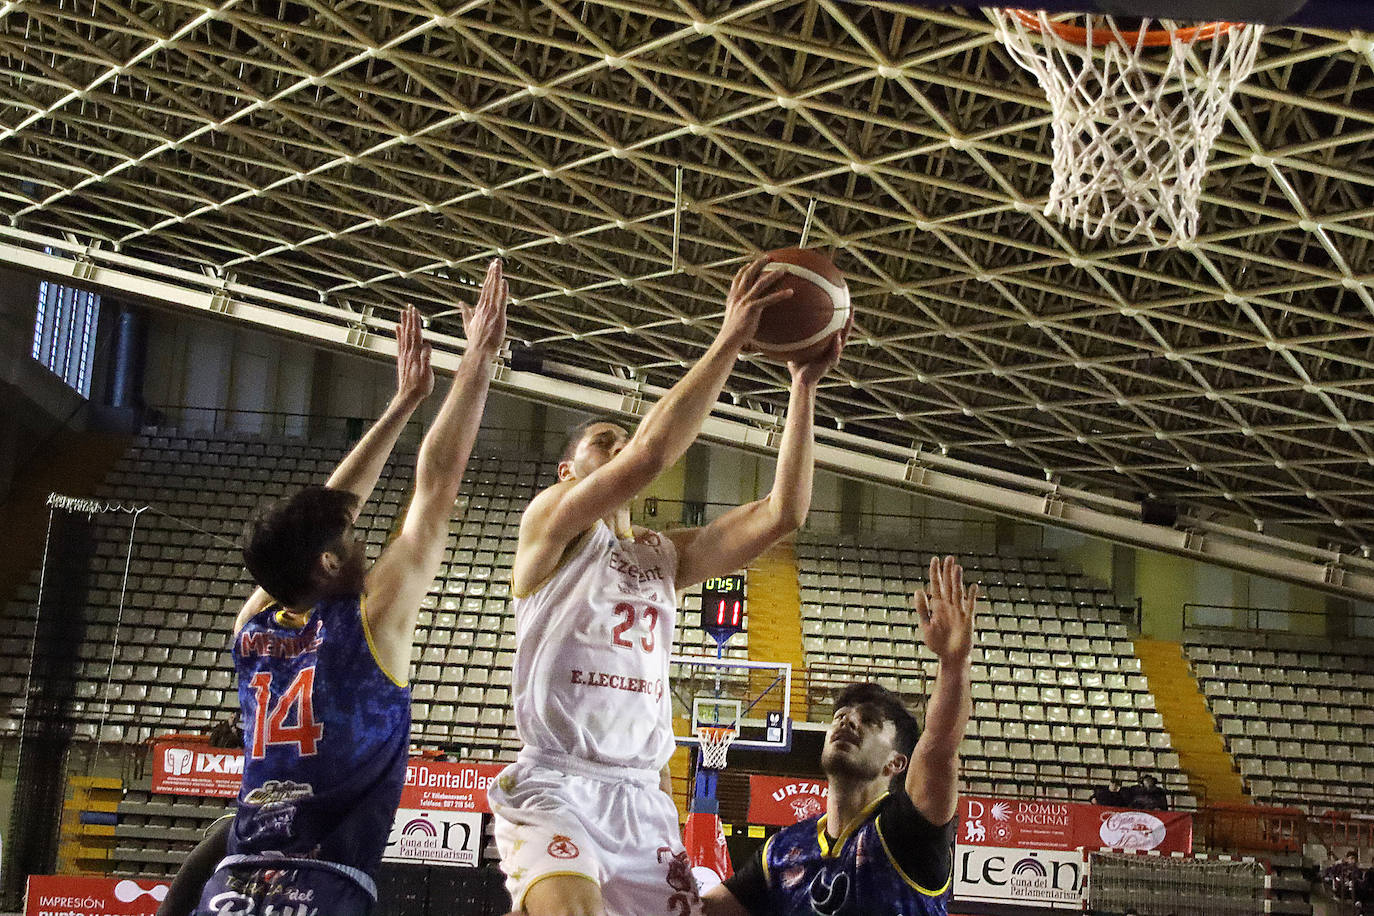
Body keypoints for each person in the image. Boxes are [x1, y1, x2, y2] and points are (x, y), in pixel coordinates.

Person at [488, 254, 846, 916]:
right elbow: (652, 453)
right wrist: (732, 336)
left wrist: (802, 387)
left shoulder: (665, 556)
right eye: (604, 440)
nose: (622, 447)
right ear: (569, 470)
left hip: (641, 800)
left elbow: (781, 513)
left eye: (622, 436)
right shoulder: (551, 524)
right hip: (557, 784)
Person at [192, 261, 509, 915]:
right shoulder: (372, 622)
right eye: (345, 539)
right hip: (323, 886)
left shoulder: (253, 631)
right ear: (328, 565)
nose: (357, 535)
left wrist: (402, 404)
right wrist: (477, 362)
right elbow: (437, 485)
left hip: (232, 886)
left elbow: (326, 518)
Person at [703, 555, 976, 916]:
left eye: (869, 721)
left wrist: (953, 665)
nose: (847, 722)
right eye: (841, 715)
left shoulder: (907, 834)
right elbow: (704, 910)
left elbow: (939, 747)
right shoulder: (783, 852)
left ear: (896, 762)